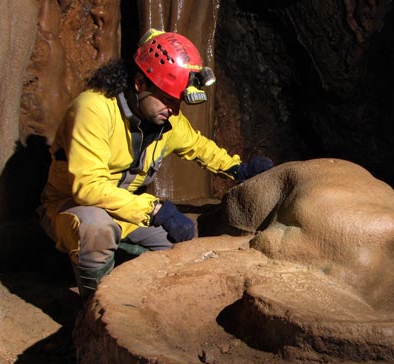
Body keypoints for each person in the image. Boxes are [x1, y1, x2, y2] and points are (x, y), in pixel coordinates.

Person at [38, 29, 273, 301]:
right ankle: (92, 310)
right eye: (168, 98)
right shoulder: (94, 109)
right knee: (98, 228)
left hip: (121, 208)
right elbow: (88, 189)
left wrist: (238, 170)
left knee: (177, 244)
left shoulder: (165, 119)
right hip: (71, 206)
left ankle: (127, 280)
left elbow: (199, 147)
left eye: (178, 101)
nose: (174, 109)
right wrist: (155, 208)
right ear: (140, 83)